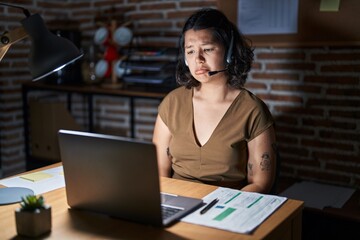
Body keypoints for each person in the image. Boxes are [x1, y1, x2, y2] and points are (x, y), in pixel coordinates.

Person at [152, 8, 277, 193]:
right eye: (191, 51)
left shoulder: (253, 110)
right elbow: (159, 173)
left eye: (208, 49)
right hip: (176, 202)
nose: (198, 59)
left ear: (229, 52)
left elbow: (260, 183)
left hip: (226, 208)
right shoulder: (172, 103)